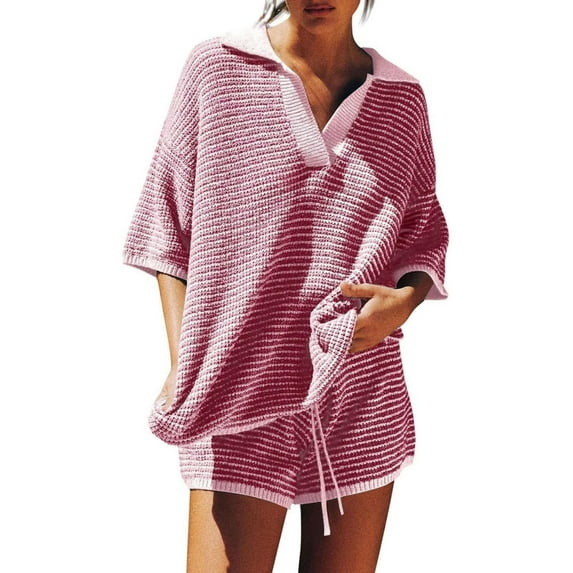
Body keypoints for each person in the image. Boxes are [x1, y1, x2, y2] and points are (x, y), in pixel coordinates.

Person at [122, 0, 449, 571]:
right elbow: (165, 223)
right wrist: (184, 361)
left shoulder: (403, 99)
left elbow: (423, 233)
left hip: (359, 388)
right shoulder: (217, 68)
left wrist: (406, 302)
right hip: (237, 386)